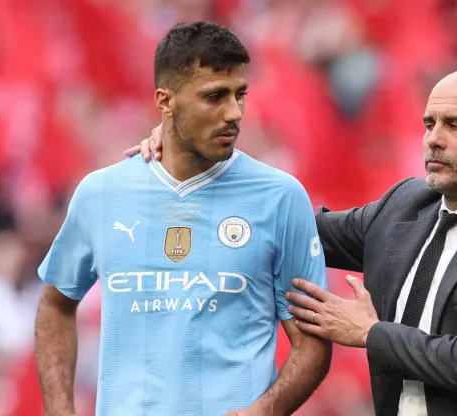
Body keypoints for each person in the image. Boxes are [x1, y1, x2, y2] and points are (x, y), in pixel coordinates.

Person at [128, 67, 457, 416]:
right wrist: (201, 165)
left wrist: (369, 333)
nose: (434, 139)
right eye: (430, 122)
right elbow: (294, 227)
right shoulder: (406, 204)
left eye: (456, 125)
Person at [36, 21, 331, 416]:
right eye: (215, 97)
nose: (234, 113)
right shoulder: (101, 193)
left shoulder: (280, 197)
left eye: (240, 94)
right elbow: (56, 305)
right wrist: (59, 410)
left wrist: (267, 409)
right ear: (166, 101)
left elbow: (312, 340)